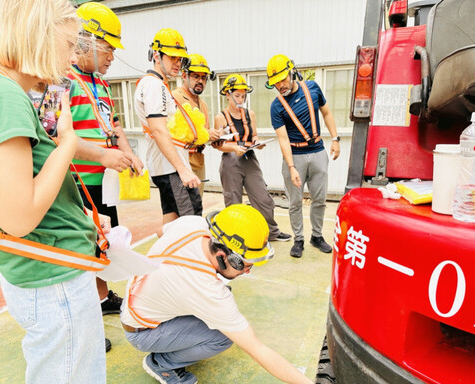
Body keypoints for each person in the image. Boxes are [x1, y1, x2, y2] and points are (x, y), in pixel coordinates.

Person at [0, 0, 108, 382]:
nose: (74, 55)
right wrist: (69, 143)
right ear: (39, 36)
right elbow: (19, 217)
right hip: (53, 276)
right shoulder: (5, 94)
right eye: (70, 43)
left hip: (48, 270)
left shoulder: (8, 91)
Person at [120, 204, 313, 384]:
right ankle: (162, 363)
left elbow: (160, 232)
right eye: (244, 265)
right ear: (221, 256)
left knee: (219, 303)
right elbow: (257, 349)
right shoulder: (206, 290)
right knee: (222, 337)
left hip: (135, 301)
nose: (247, 272)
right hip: (143, 332)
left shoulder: (194, 224)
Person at [68, 2, 143, 334]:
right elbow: (54, 134)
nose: (112, 56)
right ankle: (86, 322)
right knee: (85, 247)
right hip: (78, 182)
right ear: (84, 40)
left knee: (105, 242)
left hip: (105, 180)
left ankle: (101, 298)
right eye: (108, 47)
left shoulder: (101, 84)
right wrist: (102, 155)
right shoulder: (61, 79)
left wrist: (128, 153)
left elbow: (113, 124)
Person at [267, 54, 340, 258]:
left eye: (283, 79)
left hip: (318, 152)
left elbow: (326, 113)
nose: (280, 85)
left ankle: (316, 236)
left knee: (320, 199)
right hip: (295, 156)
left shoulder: (313, 88)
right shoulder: (276, 106)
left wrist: (335, 138)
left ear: (292, 72)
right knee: (295, 202)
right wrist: (291, 167)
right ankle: (298, 239)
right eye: (276, 82)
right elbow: (282, 139)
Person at [135, 28, 203, 231]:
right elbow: (158, 130)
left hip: (165, 167)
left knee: (171, 222)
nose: (177, 63)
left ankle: (161, 260)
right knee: (191, 223)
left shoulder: (154, 85)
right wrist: (182, 170)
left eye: (180, 58)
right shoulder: (155, 86)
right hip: (171, 169)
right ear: (156, 55)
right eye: (172, 57)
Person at [214, 74, 292, 242]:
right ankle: (234, 236)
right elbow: (218, 144)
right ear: (227, 95)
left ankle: (271, 232)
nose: (241, 99)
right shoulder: (220, 118)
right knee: (233, 200)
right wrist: (235, 147)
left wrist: (257, 143)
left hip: (249, 157)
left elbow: (254, 135)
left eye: (243, 95)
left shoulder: (250, 114)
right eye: (237, 95)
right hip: (230, 161)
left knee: (263, 197)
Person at [172, 53, 222, 198]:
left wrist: (214, 137)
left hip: (198, 160)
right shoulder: (176, 98)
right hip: (182, 162)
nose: (200, 81)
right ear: (184, 75)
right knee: (184, 209)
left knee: (197, 205)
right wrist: (206, 134)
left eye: (203, 77)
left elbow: (202, 133)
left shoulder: (203, 104)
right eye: (195, 76)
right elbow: (176, 134)